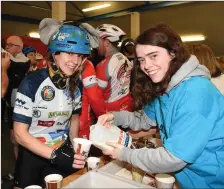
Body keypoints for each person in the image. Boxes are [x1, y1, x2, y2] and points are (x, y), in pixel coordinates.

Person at [97, 24, 224, 188]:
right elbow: (143, 119)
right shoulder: (167, 86)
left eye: (153, 56)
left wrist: (124, 153)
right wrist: (115, 116)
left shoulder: (195, 92)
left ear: (173, 53)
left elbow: (174, 158)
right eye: (141, 60)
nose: (146, 66)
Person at [12, 22, 90, 188]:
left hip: (61, 149)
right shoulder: (32, 82)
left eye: (80, 56)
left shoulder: (76, 84)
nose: (75, 61)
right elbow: (19, 133)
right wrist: (54, 155)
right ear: (55, 53)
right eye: (70, 53)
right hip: (33, 151)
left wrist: (76, 147)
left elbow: (74, 119)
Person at [95, 24, 133, 112]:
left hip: (111, 111)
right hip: (128, 106)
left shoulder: (103, 65)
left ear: (106, 42)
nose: (96, 45)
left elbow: (97, 95)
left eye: (98, 40)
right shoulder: (125, 59)